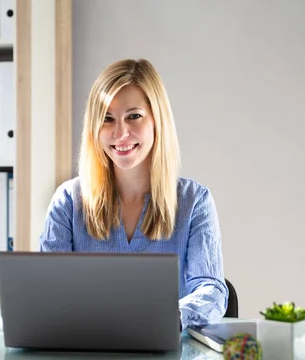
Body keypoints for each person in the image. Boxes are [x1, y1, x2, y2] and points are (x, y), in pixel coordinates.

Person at [39, 58, 228, 329]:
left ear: (156, 120)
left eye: (134, 116)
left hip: (167, 359)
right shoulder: (68, 202)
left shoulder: (194, 202)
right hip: (85, 355)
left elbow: (211, 289)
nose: (120, 133)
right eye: (107, 119)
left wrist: (168, 316)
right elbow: (47, 291)